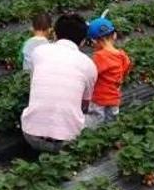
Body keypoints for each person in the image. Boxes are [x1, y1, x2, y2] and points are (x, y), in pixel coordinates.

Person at [20, 13, 98, 153]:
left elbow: (33, 84)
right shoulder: (89, 65)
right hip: (68, 142)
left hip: (31, 135)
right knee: (99, 117)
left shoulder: (38, 52)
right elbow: (85, 104)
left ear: (54, 34)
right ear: (83, 41)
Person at [85, 17, 132, 127]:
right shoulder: (122, 56)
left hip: (98, 100)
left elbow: (90, 76)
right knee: (111, 127)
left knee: (92, 125)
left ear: (94, 41)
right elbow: (125, 71)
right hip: (114, 99)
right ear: (114, 35)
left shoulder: (99, 57)